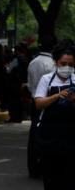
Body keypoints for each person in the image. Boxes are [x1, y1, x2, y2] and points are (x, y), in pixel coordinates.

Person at [34, 47, 75, 190]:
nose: (67, 67)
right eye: (63, 64)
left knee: (69, 179)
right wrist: (57, 96)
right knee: (50, 178)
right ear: (56, 63)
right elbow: (38, 103)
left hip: (70, 136)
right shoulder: (46, 79)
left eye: (71, 64)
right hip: (49, 136)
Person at [27, 36, 56, 178]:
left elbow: (30, 84)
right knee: (45, 133)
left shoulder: (33, 62)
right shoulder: (52, 64)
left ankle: (33, 167)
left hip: (35, 100)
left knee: (34, 134)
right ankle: (44, 166)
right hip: (47, 101)